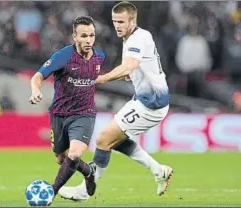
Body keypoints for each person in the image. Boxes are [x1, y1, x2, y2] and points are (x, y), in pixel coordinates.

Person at [58, 1, 173, 201]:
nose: (117, 25)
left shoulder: (137, 38)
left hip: (151, 105)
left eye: (121, 21)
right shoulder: (133, 37)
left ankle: (85, 191)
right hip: (145, 99)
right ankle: (158, 170)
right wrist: (131, 73)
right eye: (114, 21)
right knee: (114, 140)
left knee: (103, 139)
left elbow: (128, 66)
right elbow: (136, 66)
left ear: (132, 20)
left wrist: (100, 79)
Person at [29, 16, 105, 197]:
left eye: (92, 35)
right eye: (84, 36)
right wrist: (34, 90)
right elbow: (38, 76)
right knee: (61, 158)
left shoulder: (100, 57)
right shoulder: (63, 56)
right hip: (59, 114)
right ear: (75, 36)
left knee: (75, 153)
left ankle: (51, 192)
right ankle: (89, 172)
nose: (89, 40)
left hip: (84, 114)